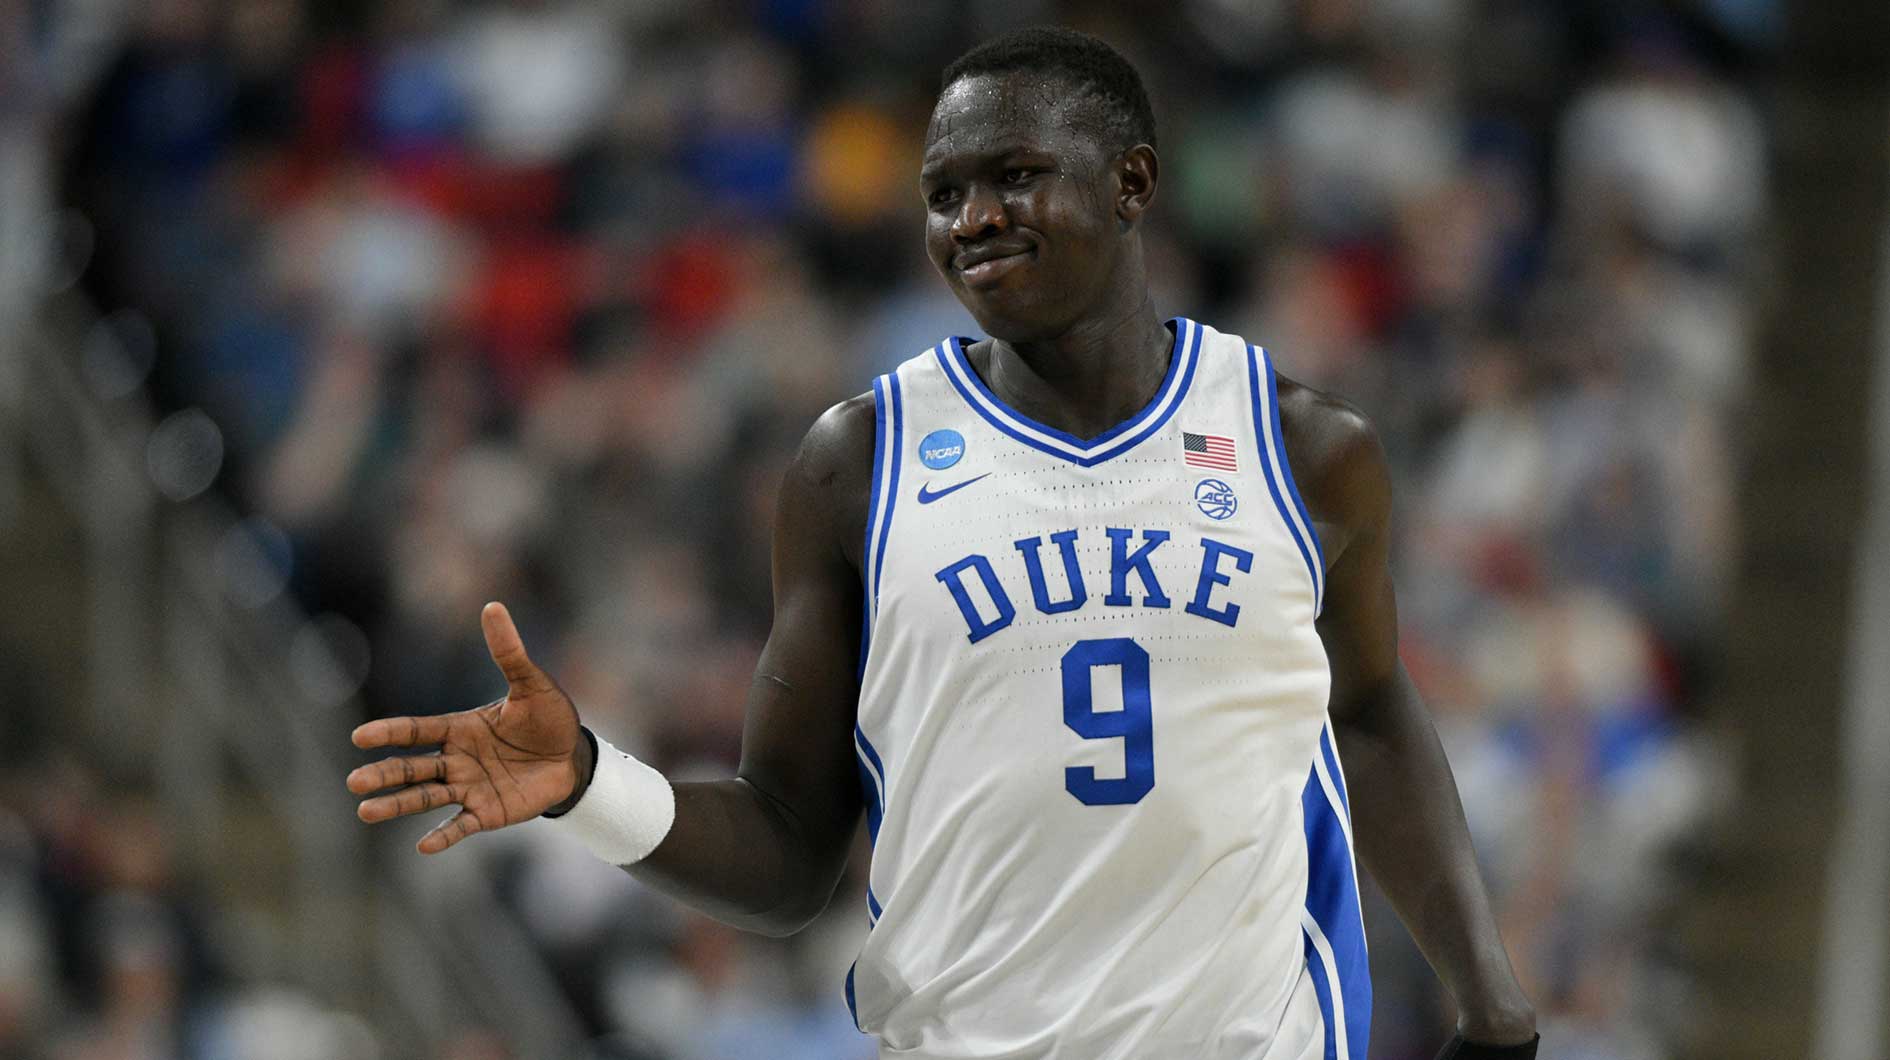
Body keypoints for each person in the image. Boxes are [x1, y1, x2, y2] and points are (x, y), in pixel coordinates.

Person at [345, 27, 1539, 1060]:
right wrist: (591, 787)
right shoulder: (856, 459)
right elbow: (790, 849)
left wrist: (1492, 1004)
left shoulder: (1305, 449)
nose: (972, 220)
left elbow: (1374, 714)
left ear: (1132, 183)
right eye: (943, 191)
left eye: (1015, 176)